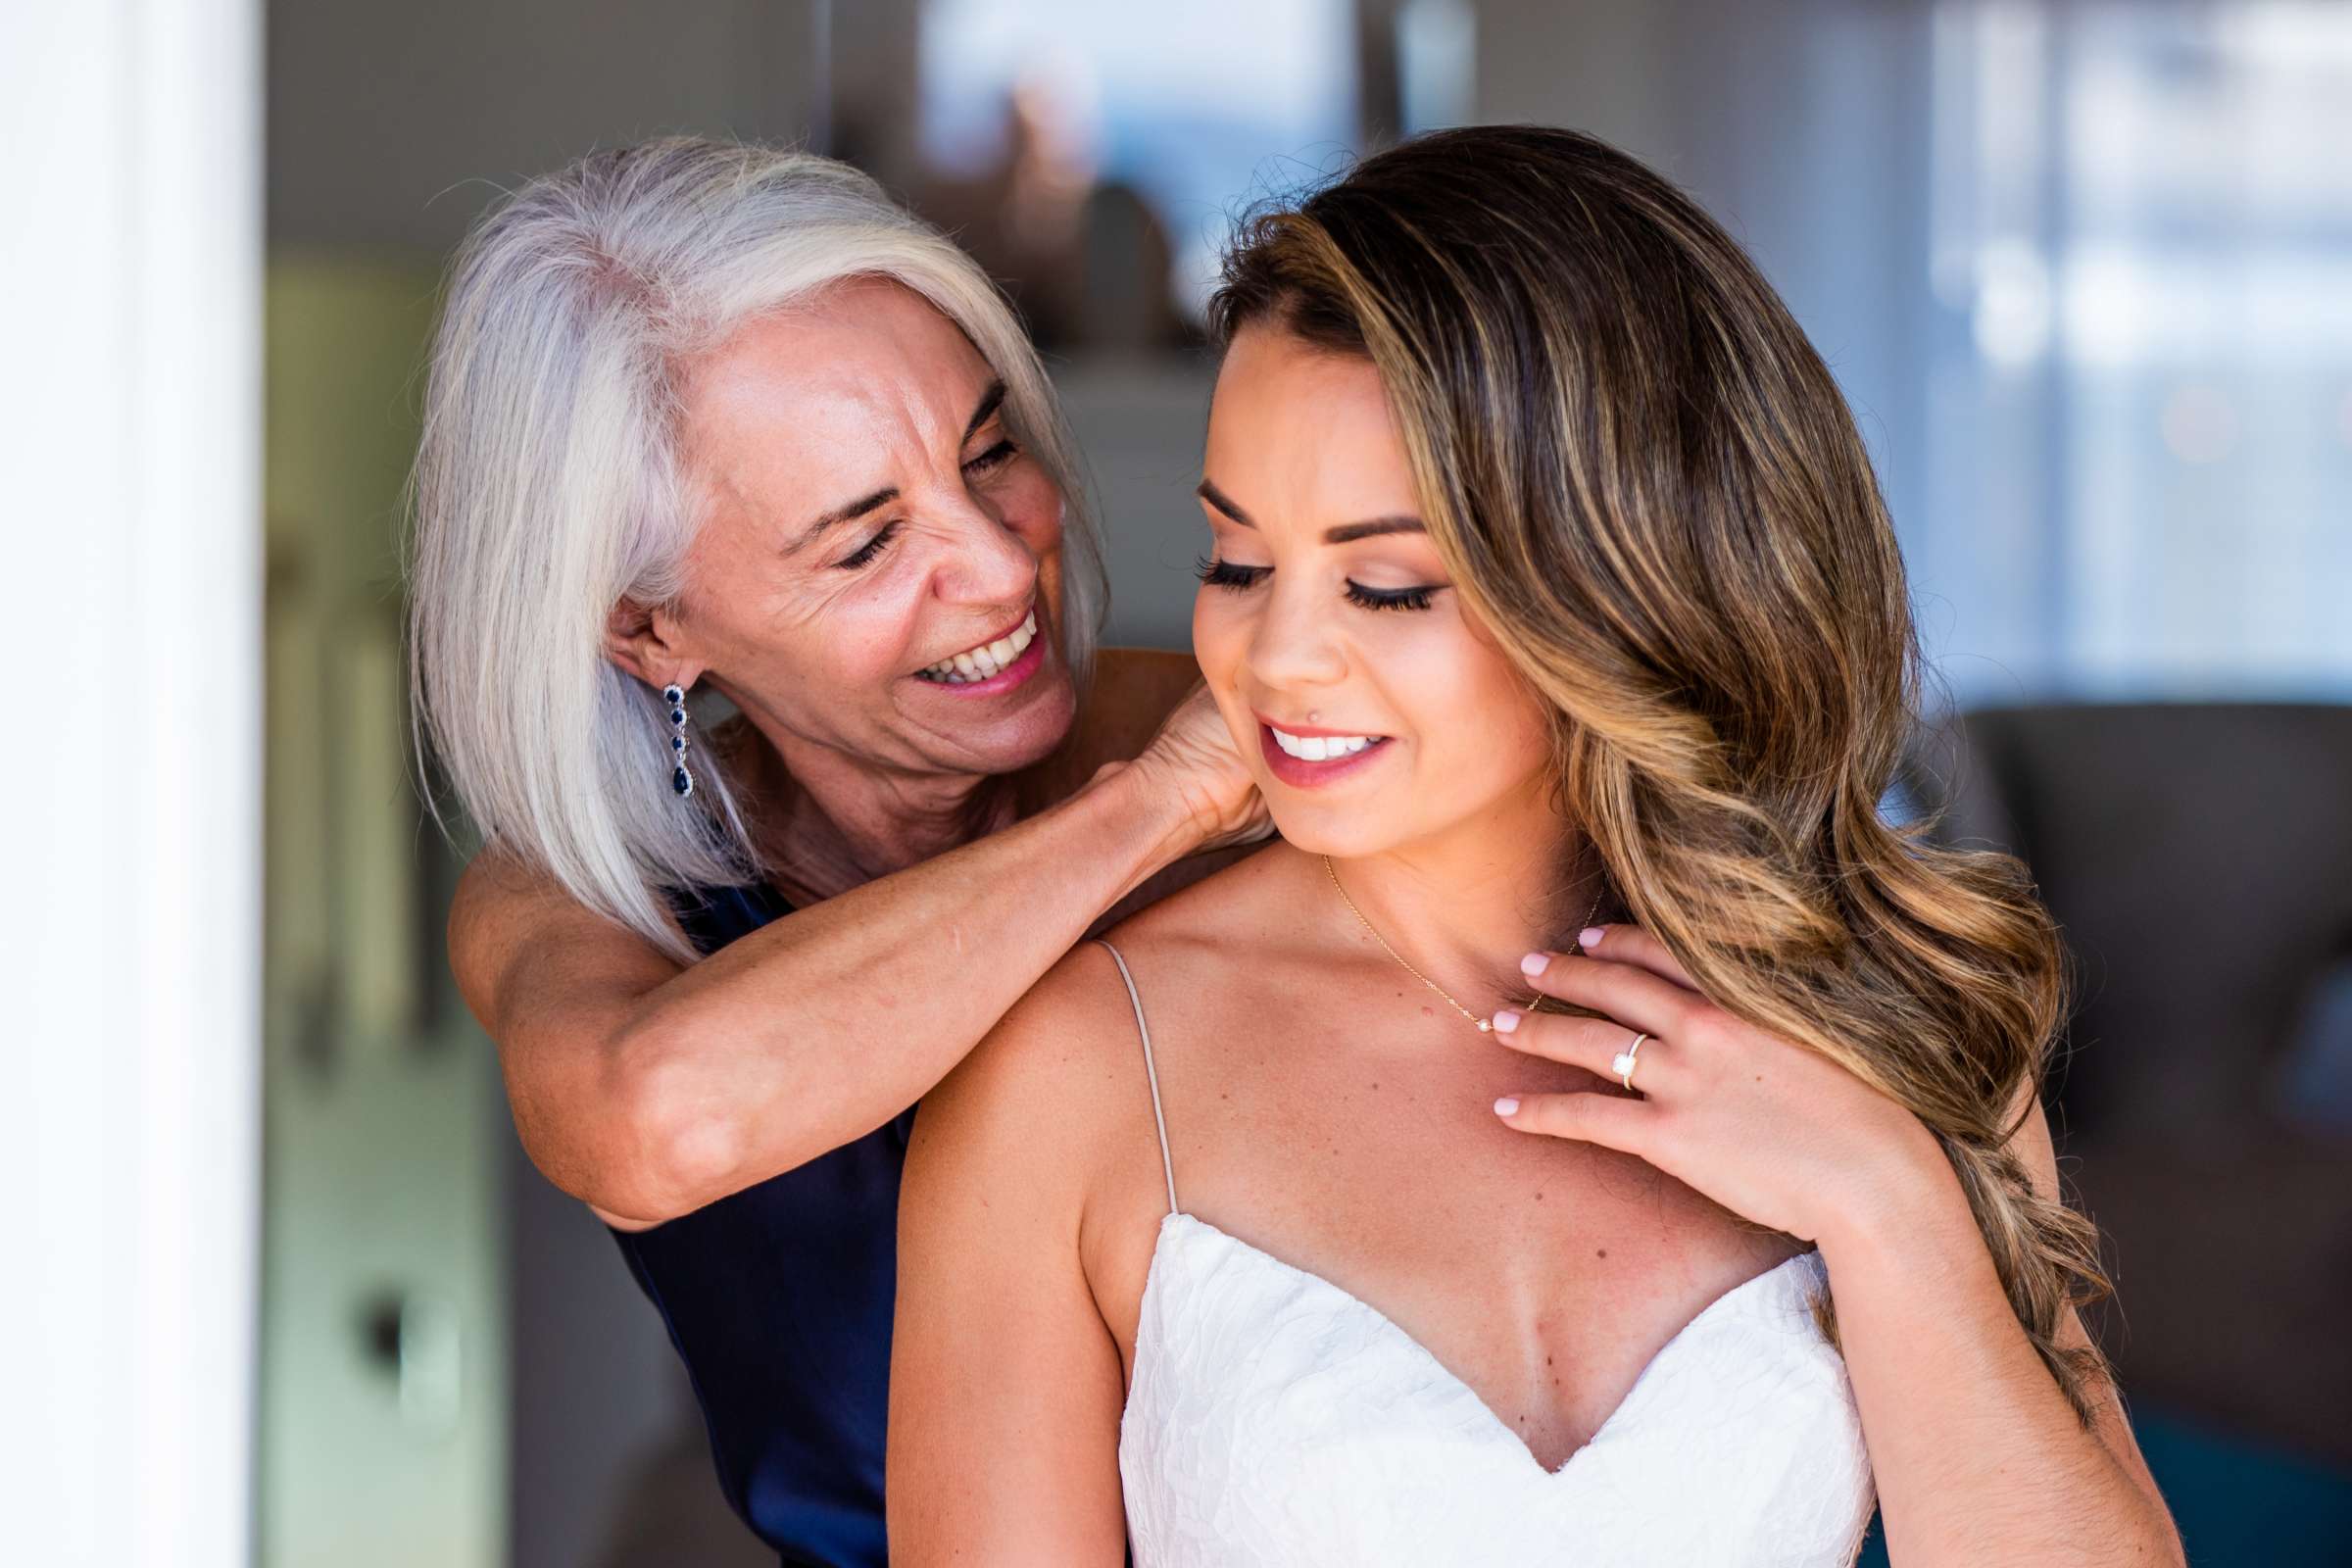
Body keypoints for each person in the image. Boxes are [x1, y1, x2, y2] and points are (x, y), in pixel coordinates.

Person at [887, 125, 2185, 1566]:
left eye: (1386, 586)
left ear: (1623, 586)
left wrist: (1882, 1201)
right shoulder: (1068, 1077)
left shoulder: (1879, 1007)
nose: (1277, 657)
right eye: (1238, 563)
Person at [407, 137, 1266, 1567]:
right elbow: (651, 1119)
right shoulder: (584, 898)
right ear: (648, 629)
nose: (1001, 565)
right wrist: (1140, 813)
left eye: (992, 451)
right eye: (867, 545)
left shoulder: (1247, 746)